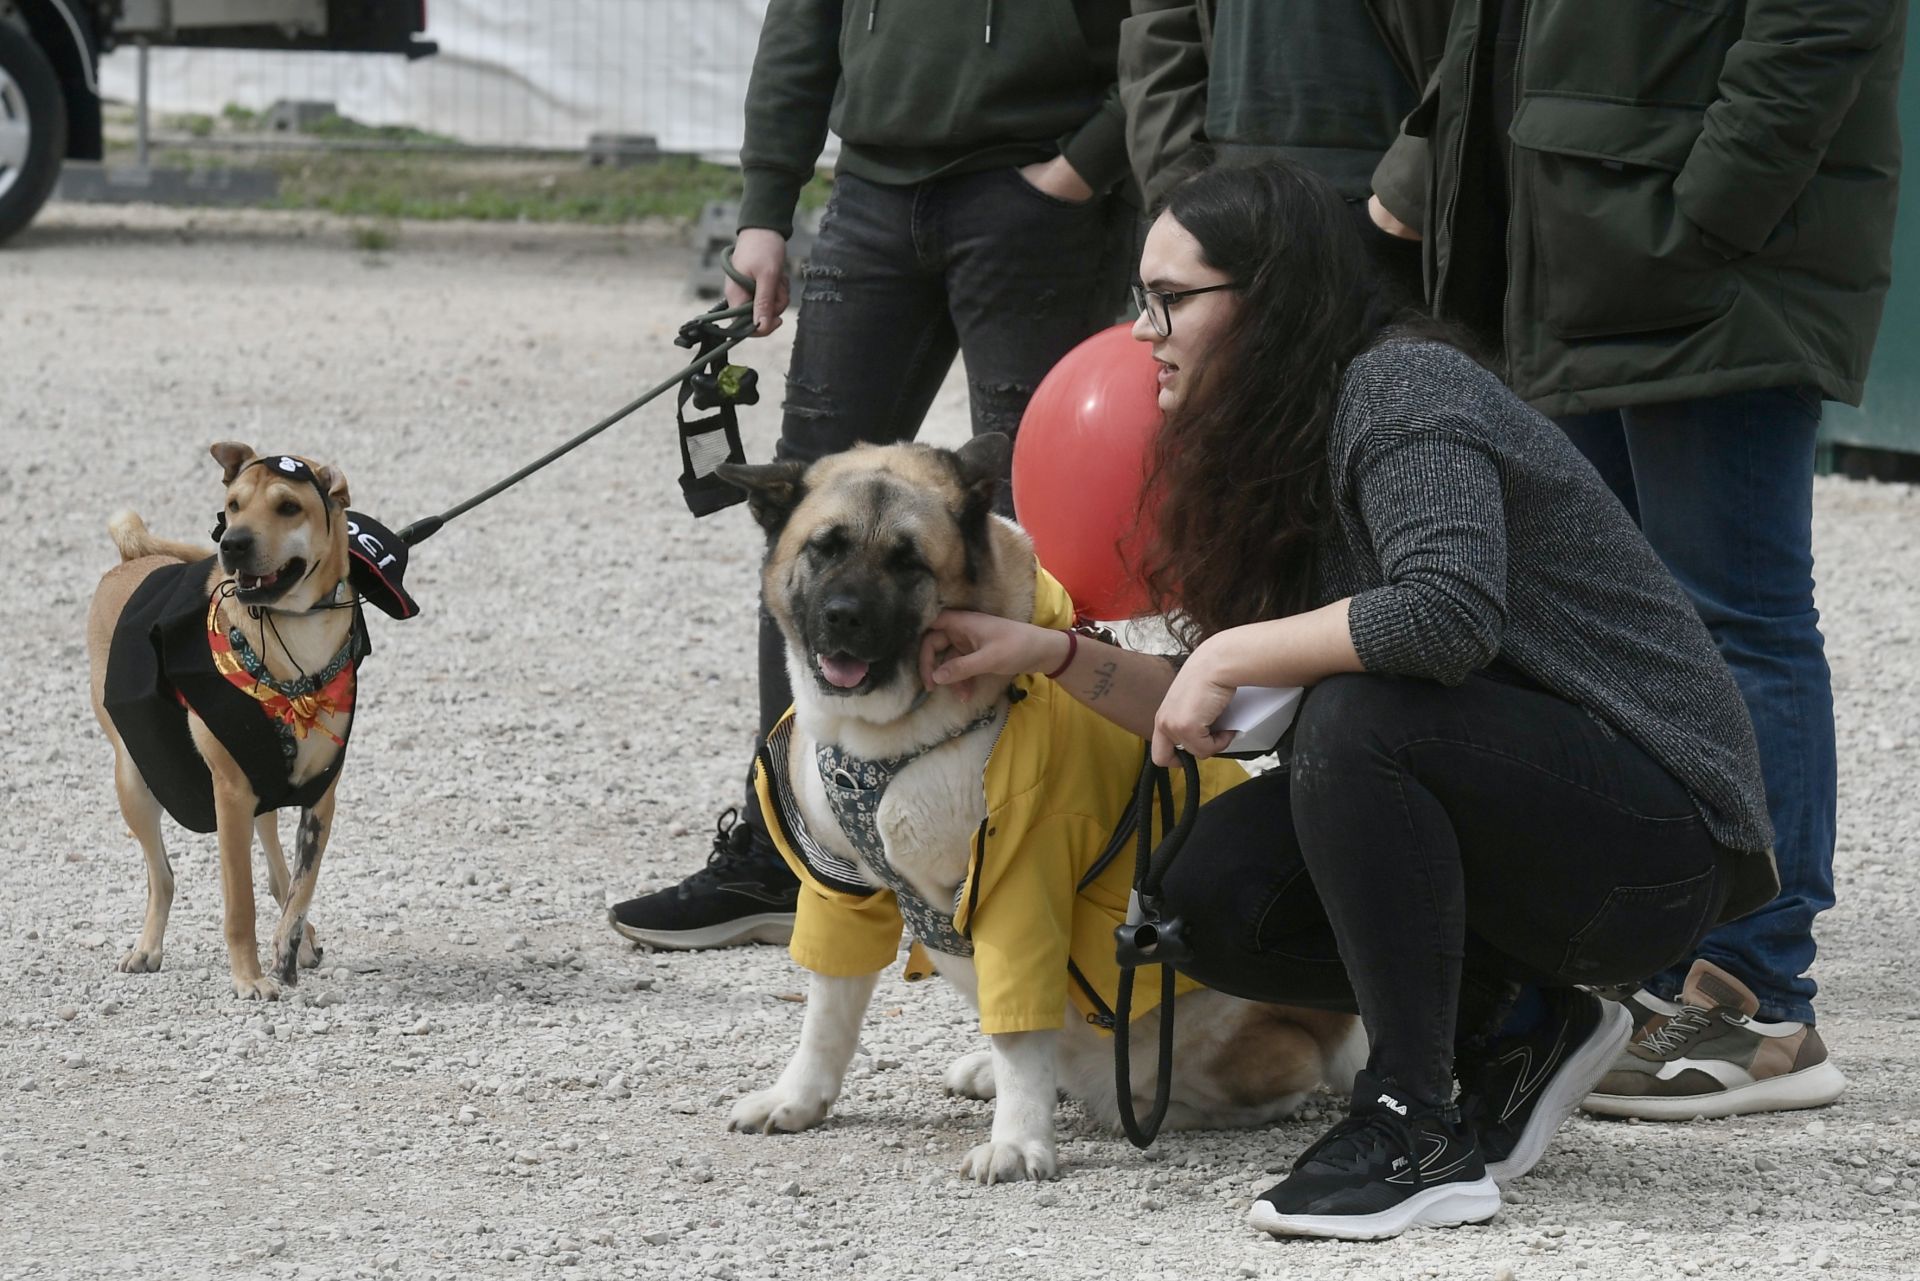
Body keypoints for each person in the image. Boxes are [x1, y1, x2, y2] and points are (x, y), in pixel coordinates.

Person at [917, 161, 1778, 1240]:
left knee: (1363, 721)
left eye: (1170, 298)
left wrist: (1231, 651)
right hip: (1536, 816)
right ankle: (1517, 1026)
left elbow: (1445, 615)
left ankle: (1417, 1130)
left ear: (1271, 299)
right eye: (1139, 299)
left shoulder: (1403, 385)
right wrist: (1044, 651)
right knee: (1206, 896)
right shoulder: (1274, 446)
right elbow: (1224, 708)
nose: (1142, 332)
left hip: (1657, 843)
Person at [1368, 0, 1908, 1118]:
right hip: (1576, 254)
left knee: (1736, 621)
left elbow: (1825, 21)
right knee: (1596, 628)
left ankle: (1753, 1002)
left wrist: (1708, 216)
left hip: (1693, 263)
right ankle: (1647, 971)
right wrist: (1431, 165)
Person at [608, 1, 1136, 950]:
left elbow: (1176, 27)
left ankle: (1052, 843)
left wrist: (1086, 163)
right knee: (812, 534)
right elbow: (802, 24)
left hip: (1041, 196)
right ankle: (790, 850)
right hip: (873, 196)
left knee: (1035, 537)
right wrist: (766, 209)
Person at [1119, 0, 1449, 308]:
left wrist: (1398, 210)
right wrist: (1181, 189)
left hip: (1406, 228)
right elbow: (1160, 22)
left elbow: (1482, 34)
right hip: (1230, 221)